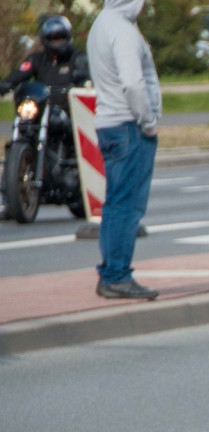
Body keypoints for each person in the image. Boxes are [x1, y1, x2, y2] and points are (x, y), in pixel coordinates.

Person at [87, 0, 162, 300]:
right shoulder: (124, 31)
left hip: (110, 122)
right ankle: (117, 275)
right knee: (128, 206)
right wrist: (148, 121)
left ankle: (110, 272)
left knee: (115, 203)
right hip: (129, 125)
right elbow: (133, 83)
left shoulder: (102, 24)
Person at [0, 15, 90, 222]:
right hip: (39, 112)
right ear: (45, 39)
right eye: (53, 37)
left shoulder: (77, 58)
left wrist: (80, 80)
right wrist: (5, 84)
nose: (57, 41)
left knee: (73, 136)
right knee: (15, 141)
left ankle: (76, 178)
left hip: (67, 113)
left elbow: (83, 76)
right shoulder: (36, 59)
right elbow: (20, 74)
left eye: (61, 37)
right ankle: (10, 199)